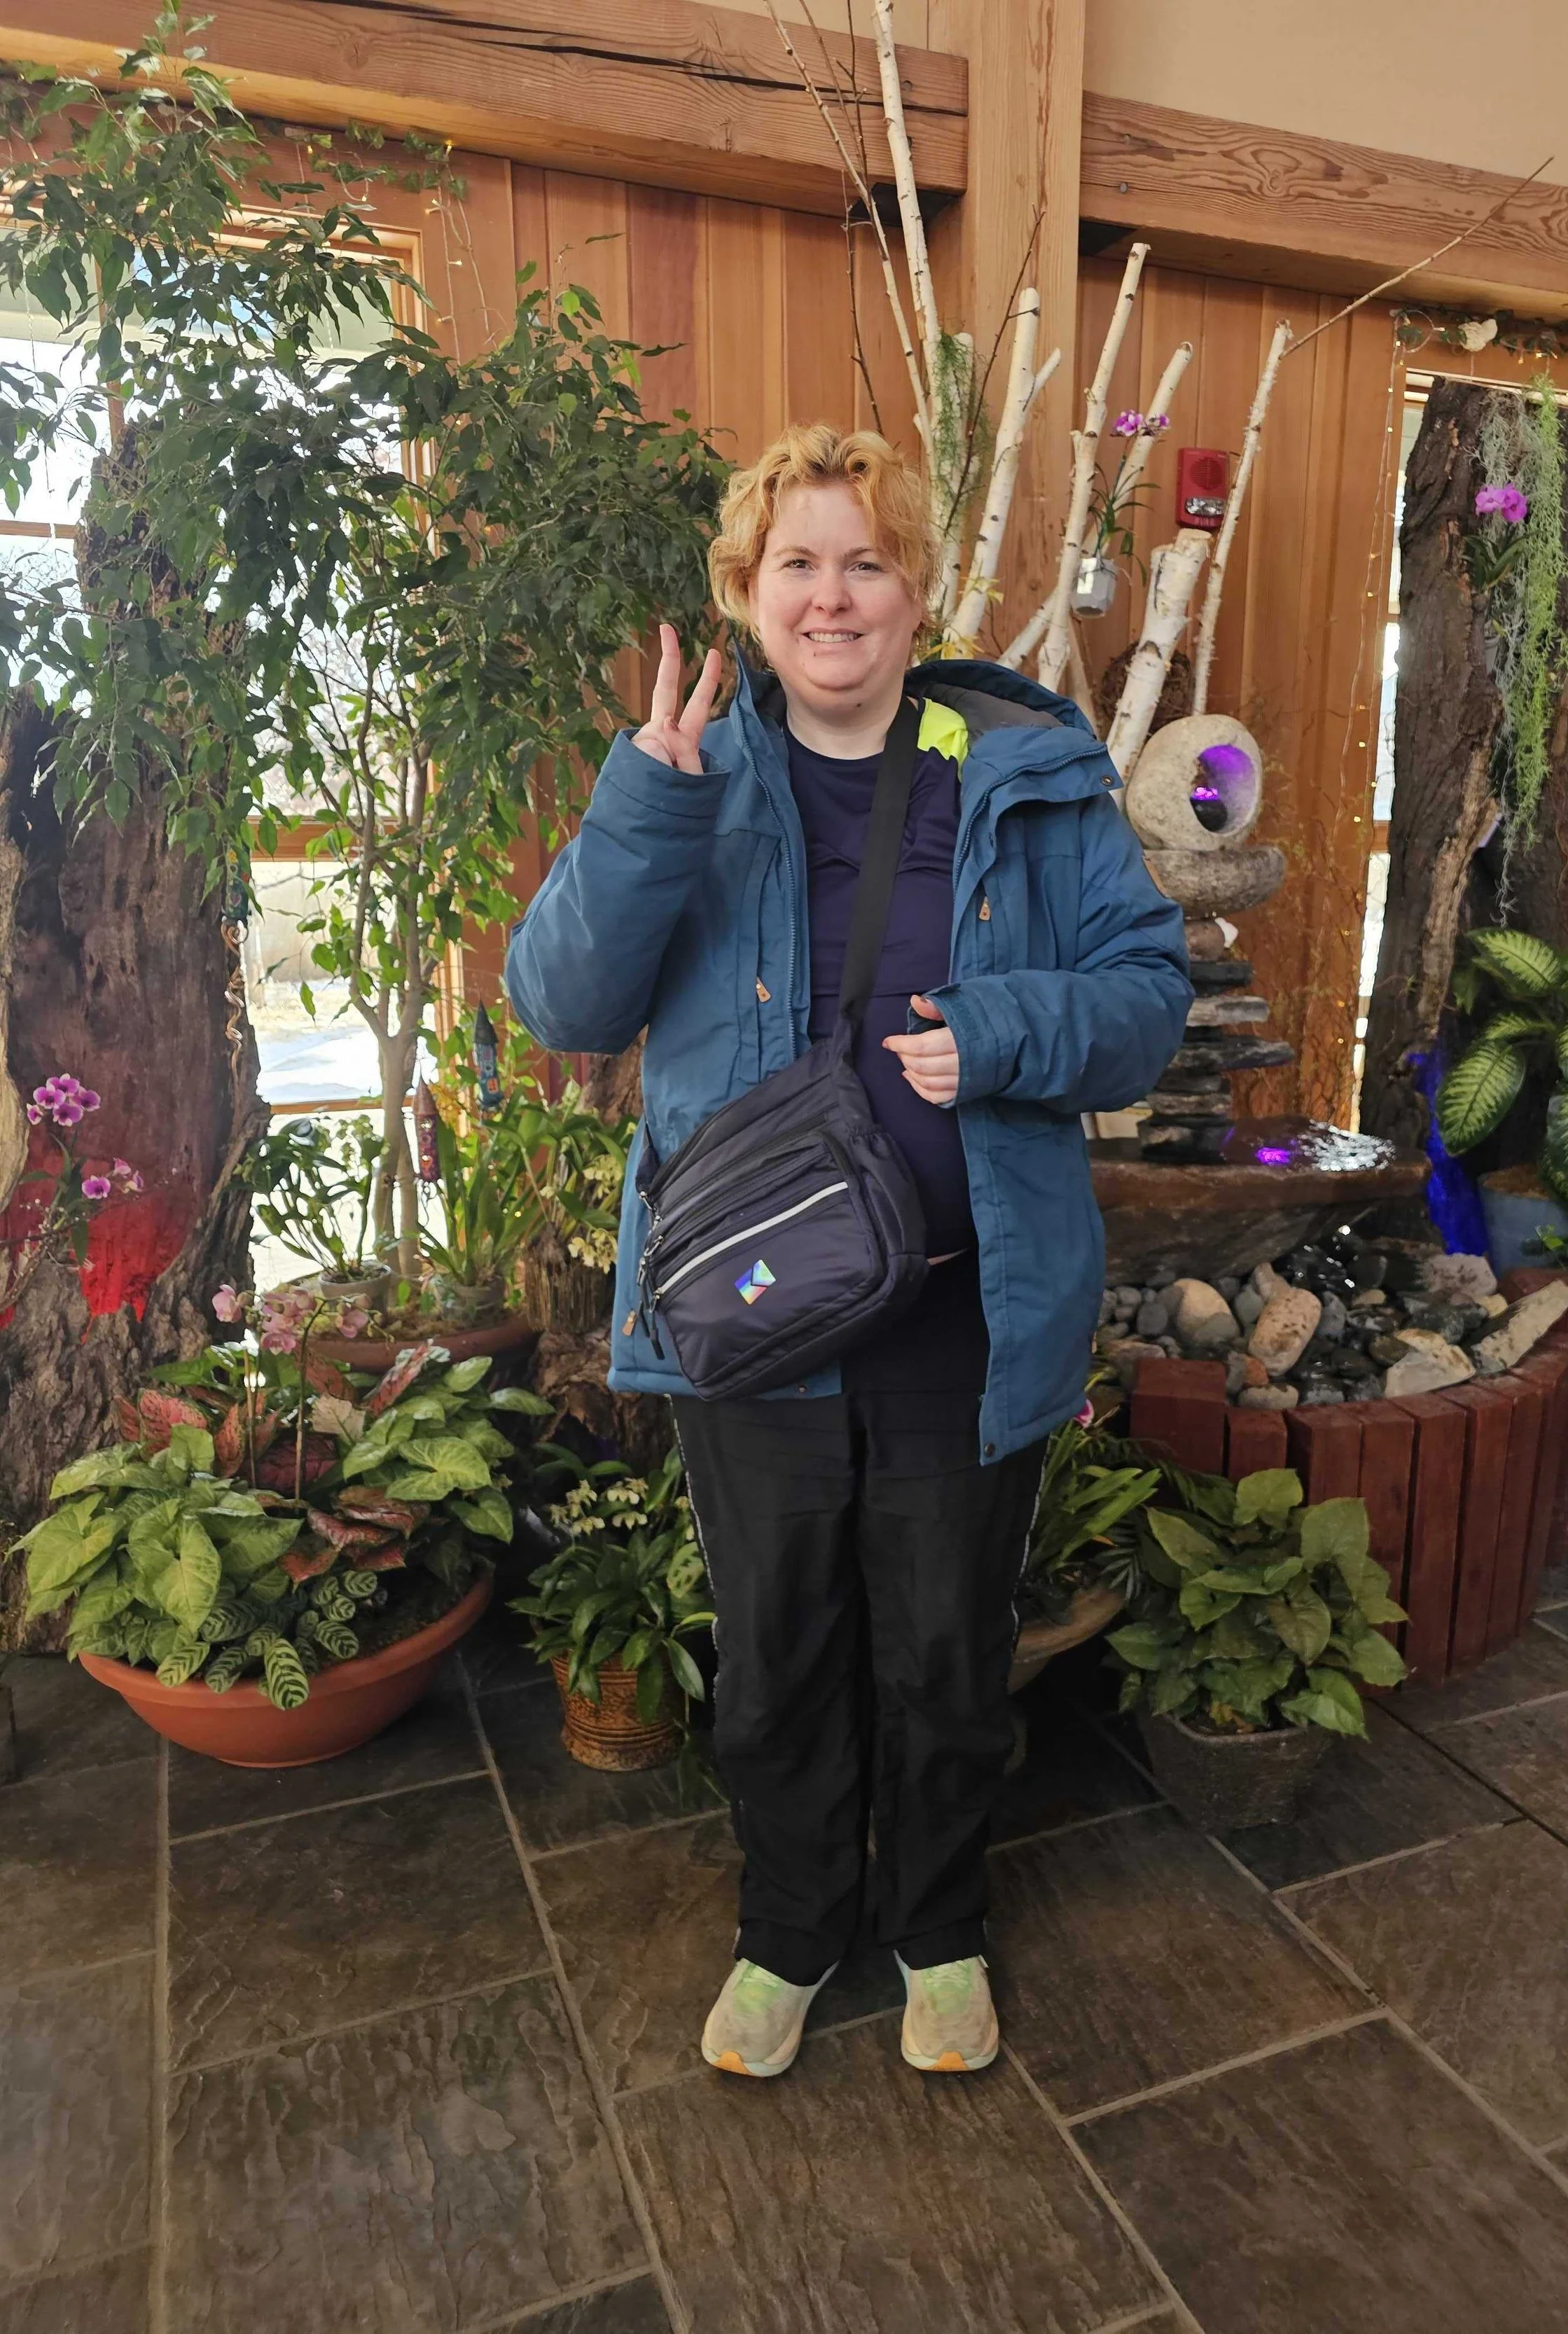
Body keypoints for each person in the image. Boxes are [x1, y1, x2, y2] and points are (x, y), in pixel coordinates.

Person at [505, 424, 1191, 2081]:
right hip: (752, 1309)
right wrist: (643, 806)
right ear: (746, 595)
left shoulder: (1026, 768)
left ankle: (938, 1927)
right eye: (797, 563)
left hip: (966, 1310)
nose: (832, 596)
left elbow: (1144, 998)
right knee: (776, 1656)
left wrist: (1007, 1030)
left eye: (865, 561)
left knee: (949, 1653)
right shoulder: (687, 772)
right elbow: (563, 1004)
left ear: (913, 591)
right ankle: (789, 1931)